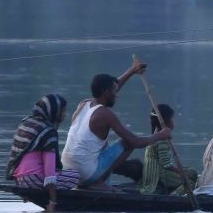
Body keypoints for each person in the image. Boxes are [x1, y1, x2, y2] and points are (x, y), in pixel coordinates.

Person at [62, 57, 171, 189]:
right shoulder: (105, 114)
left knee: (103, 146)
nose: (117, 95)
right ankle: (98, 181)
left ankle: (96, 179)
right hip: (86, 174)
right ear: (106, 93)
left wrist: (132, 71)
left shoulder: (83, 105)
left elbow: (113, 86)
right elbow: (135, 142)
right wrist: (160, 135)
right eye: (114, 92)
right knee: (127, 143)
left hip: (68, 171)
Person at [7, 93, 81, 212]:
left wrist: (22, 190)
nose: (64, 115)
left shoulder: (26, 123)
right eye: (63, 112)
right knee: (75, 175)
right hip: (34, 179)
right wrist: (53, 201)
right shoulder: (48, 132)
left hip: (20, 180)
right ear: (54, 111)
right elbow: (49, 172)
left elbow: (15, 156)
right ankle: (51, 198)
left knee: (59, 172)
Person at [138, 103, 198, 196]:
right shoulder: (162, 138)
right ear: (165, 120)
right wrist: (181, 173)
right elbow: (166, 164)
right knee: (190, 184)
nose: (173, 121)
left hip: (159, 172)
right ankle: (174, 195)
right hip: (160, 175)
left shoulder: (156, 134)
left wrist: (183, 172)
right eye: (172, 118)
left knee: (192, 172)